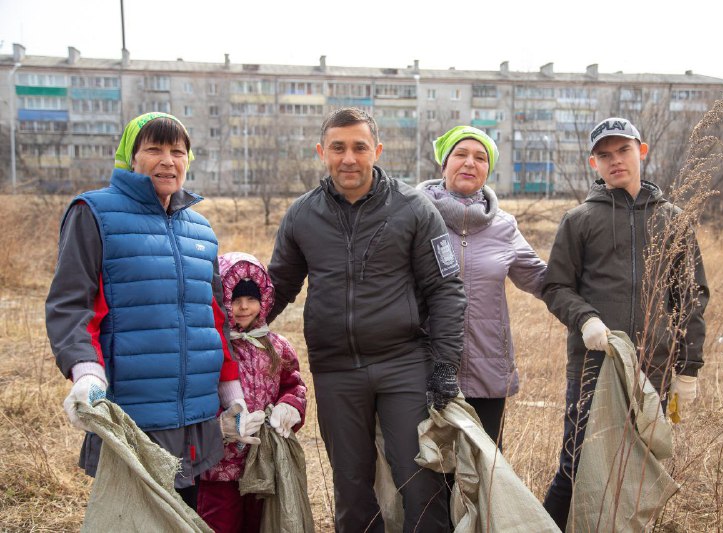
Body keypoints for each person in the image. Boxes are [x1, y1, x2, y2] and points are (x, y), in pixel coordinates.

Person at [46, 112, 262, 509]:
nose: (168, 160)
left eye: (178, 151)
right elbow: (70, 303)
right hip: (134, 411)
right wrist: (85, 373)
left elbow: (214, 317)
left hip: (195, 417)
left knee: (186, 513)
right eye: (154, 149)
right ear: (130, 157)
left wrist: (231, 393)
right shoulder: (93, 213)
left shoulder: (200, 229)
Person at [267, 107, 466, 532]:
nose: (349, 158)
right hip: (336, 369)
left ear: (376, 150)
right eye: (338, 148)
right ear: (323, 152)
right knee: (352, 487)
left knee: (420, 479)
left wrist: (446, 365)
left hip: (404, 364)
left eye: (359, 147)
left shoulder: (413, 208)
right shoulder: (303, 215)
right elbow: (278, 287)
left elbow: (446, 288)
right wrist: (237, 329)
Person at [540, 117, 710, 530]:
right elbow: (556, 287)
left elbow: (690, 296)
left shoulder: (674, 219)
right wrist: (586, 320)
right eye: (604, 155)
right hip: (594, 366)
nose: (615, 160)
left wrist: (687, 368)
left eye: (623, 150)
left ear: (642, 151)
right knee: (576, 463)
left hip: (654, 366)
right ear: (593, 163)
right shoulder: (579, 220)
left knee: (637, 469)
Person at [418, 125, 547, 449]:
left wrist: (590, 294)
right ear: (443, 164)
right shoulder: (413, 216)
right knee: (429, 476)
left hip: (488, 368)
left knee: (487, 474)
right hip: (425, 367)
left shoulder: (504, 226)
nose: (469, 163)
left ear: (488, 169)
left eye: (480, 157)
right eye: (460, 154)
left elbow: (542, 279)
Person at [197, 252, 307, 532]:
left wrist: (290, 406)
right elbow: (196, 398)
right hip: (218, 469)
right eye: (235, 300)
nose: (244, 307)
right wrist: (219, 427)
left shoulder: (277, 346)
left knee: (262, 523)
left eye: (251, 299)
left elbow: (292, 384)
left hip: (264, 462)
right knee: (219, 524)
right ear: (221, 300)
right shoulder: (209, 347)